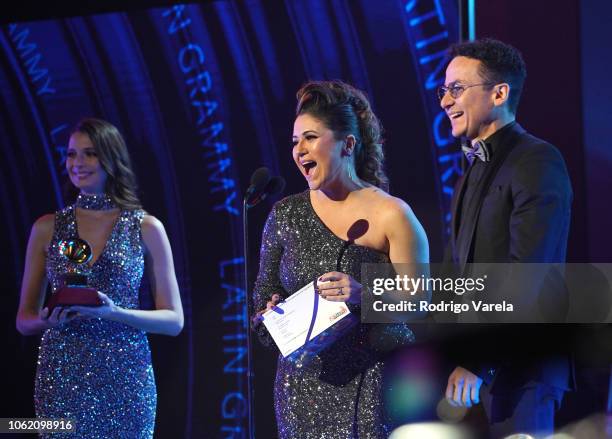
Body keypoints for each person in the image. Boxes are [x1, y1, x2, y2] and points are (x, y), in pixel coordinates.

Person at [251, 80, 429, 438]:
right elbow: (262, 296)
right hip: (301, 387)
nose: (300, 150)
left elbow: (420, 302)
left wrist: (363, 295)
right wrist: (269, 311)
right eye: (294, 142)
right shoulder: (285, 215)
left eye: (311, 138)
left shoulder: (391, 214)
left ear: (347, 144)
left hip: (375, 379)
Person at [16, 118, 184, 438]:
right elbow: (24, 320)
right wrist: (49, 320)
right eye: (71, 155)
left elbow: (174, 321)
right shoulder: (46, 228)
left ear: (111, 158)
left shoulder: (146, 227)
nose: (78, 163)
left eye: (89, 154)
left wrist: (113, 313)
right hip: (62, 377)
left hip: (127, 381)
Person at [439, 39, 572, 436]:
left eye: (457, 89)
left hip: (523, 370)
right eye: (443, 90)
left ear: (499, 93)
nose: (446, 100)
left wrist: (480, 360)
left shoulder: (537, 159)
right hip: (478, 378)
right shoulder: (470, 172)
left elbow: (526, 274)